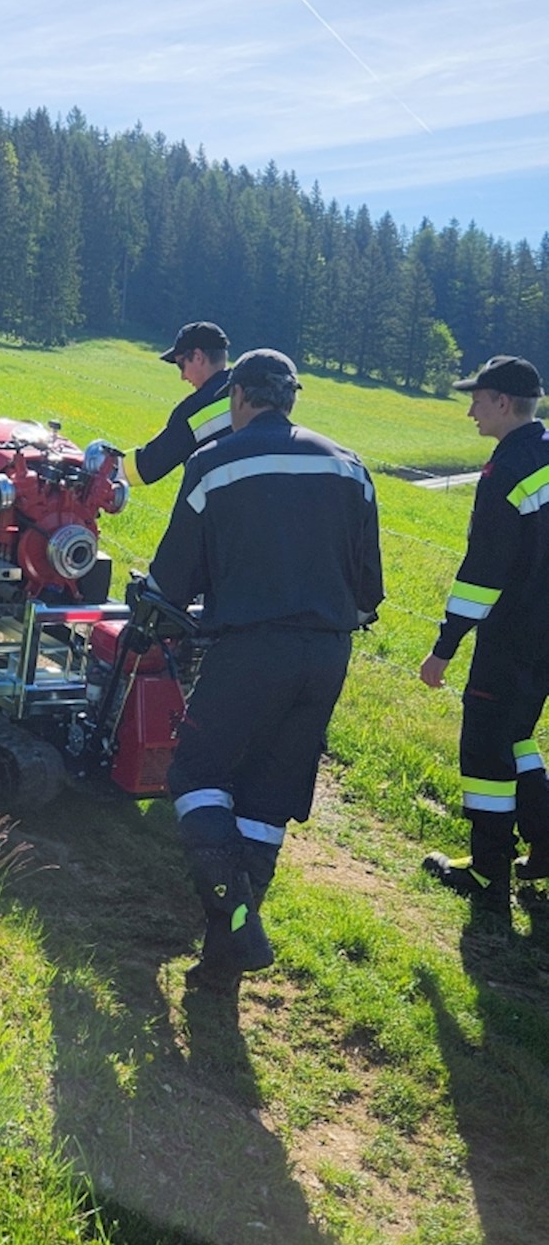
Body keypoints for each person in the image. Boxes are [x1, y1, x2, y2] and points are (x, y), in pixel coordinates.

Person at [147, 348, 384, 993]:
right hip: (328, 656)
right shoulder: (351, 467)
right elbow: (368, 593)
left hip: (250, 650)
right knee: (265, 801)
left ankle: (239, 925)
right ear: (291, 398)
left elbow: (171, 584)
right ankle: (223, 963)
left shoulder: (213, 463)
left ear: (238, 397)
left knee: (195, 775)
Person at [419, 355, 549, 914]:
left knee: (486, 749)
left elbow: (483, 574)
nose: (471, 411)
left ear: (502, 402)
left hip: (513, 638)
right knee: (517, 736)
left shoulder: (508, 470)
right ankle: (545, 845)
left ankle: (487, 872)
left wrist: (444, 648)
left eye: (477, 400)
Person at [125, 320, 233, 486]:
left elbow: (149, 465)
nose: (182, 377)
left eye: (182, 365)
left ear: (198, 357)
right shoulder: (252, 392)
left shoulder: (194, 410)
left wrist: (106, 465)